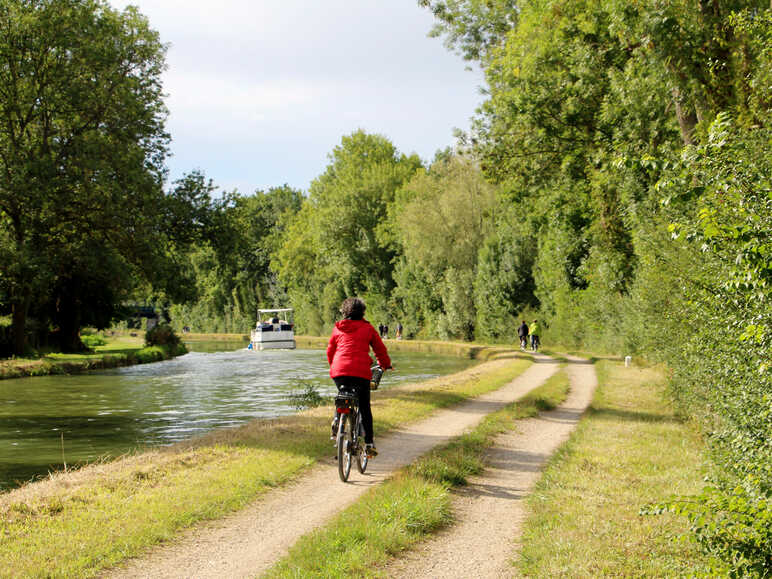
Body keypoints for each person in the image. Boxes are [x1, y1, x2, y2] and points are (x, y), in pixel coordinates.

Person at [327, 297, 391, 458]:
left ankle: (337, 420)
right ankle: (369, 444)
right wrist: (385, 364)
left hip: (339, 371)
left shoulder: (337, 329)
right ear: (362, 312)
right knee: (364, 406)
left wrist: (334, 366)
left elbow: (330, 351)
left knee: (343, 394)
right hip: (361, 373)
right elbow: (380, 350)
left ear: (344, 312)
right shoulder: (368, 328)